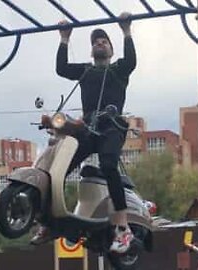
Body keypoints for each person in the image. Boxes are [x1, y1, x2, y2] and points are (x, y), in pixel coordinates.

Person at [31, 12, 136, 254]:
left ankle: (123, 229)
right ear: (91, 51)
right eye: (95, 42)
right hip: (88, 128)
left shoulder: (119, 69)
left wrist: (126, 31)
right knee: (59, 168)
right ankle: (49, 222)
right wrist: (64, 38)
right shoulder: (86, 71)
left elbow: (131, 60)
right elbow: (61, 68)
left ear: (110, 49)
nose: (99, 43)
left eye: (104, 41)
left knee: (109, 165)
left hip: (111, 126)